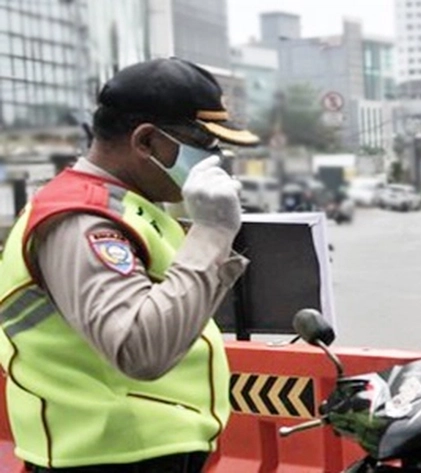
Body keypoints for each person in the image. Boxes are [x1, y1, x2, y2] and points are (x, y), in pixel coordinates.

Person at [0, 57, 259, 472]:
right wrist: (211, 233)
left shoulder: (131, 209)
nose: (215, 160)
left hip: (138, 452)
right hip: (106, 457)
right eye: (203, 147)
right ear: (146, 142)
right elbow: (139, 349)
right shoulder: (83, 221)